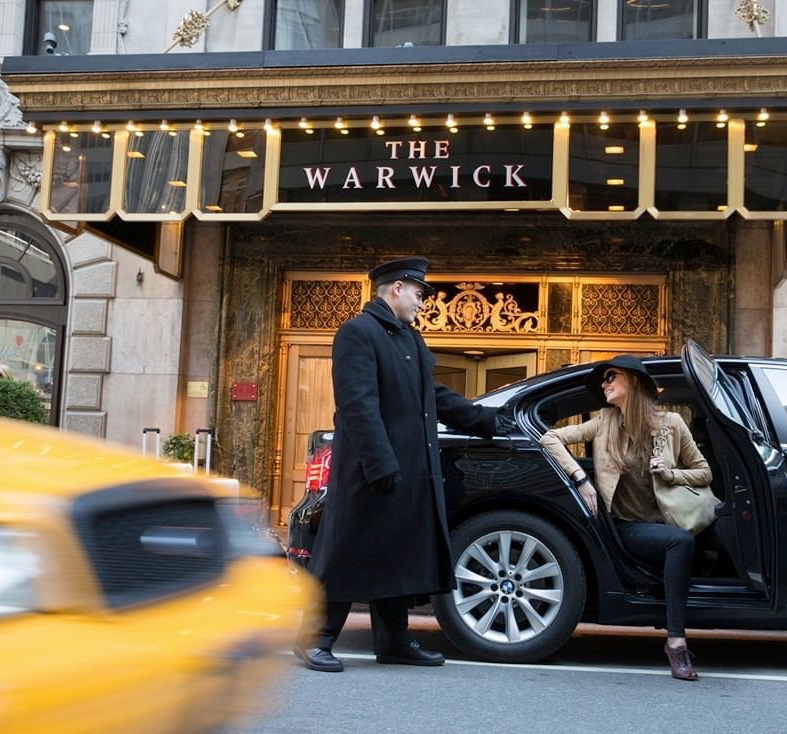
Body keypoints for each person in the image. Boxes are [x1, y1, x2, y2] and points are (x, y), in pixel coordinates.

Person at [294, 256, 507, 673]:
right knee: (344, 554)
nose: (421, 301)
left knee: (394, 554)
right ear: (396, 288)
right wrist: (380, 465)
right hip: (368, 474)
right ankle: (314, 639)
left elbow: (435, 398)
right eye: (418, 293)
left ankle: (393, 641)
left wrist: (486, 420)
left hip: (407, 470)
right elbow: (358, 406)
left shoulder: (409, 340)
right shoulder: (357, 333)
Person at [538, 354, 712, 681]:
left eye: (611, 377)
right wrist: (580, 478)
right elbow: (551, 438)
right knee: (680, 542)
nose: (604, 385)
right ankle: (676, 642)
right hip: (628, 528)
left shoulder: (672, 424)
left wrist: (672, 474)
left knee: (687, 540)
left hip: (671, 520)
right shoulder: (603, 422)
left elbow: (704, 473)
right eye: (603, 380)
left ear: (632, 381)